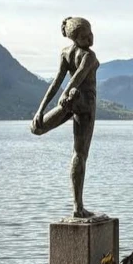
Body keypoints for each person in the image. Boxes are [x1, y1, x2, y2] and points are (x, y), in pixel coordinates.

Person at [30, 16, 99, 218]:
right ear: (75, 38)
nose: (91, 39)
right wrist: (43, 108)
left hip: (72, 99)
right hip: (85, 103)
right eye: (85, 37)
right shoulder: (89, 56)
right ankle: (78, 207)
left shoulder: (66, 54)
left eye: (91, 33)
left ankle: (77, 206)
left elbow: (60, 81)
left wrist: (45, 108)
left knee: (39, 128)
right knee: (80, 154)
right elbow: (75, 77)